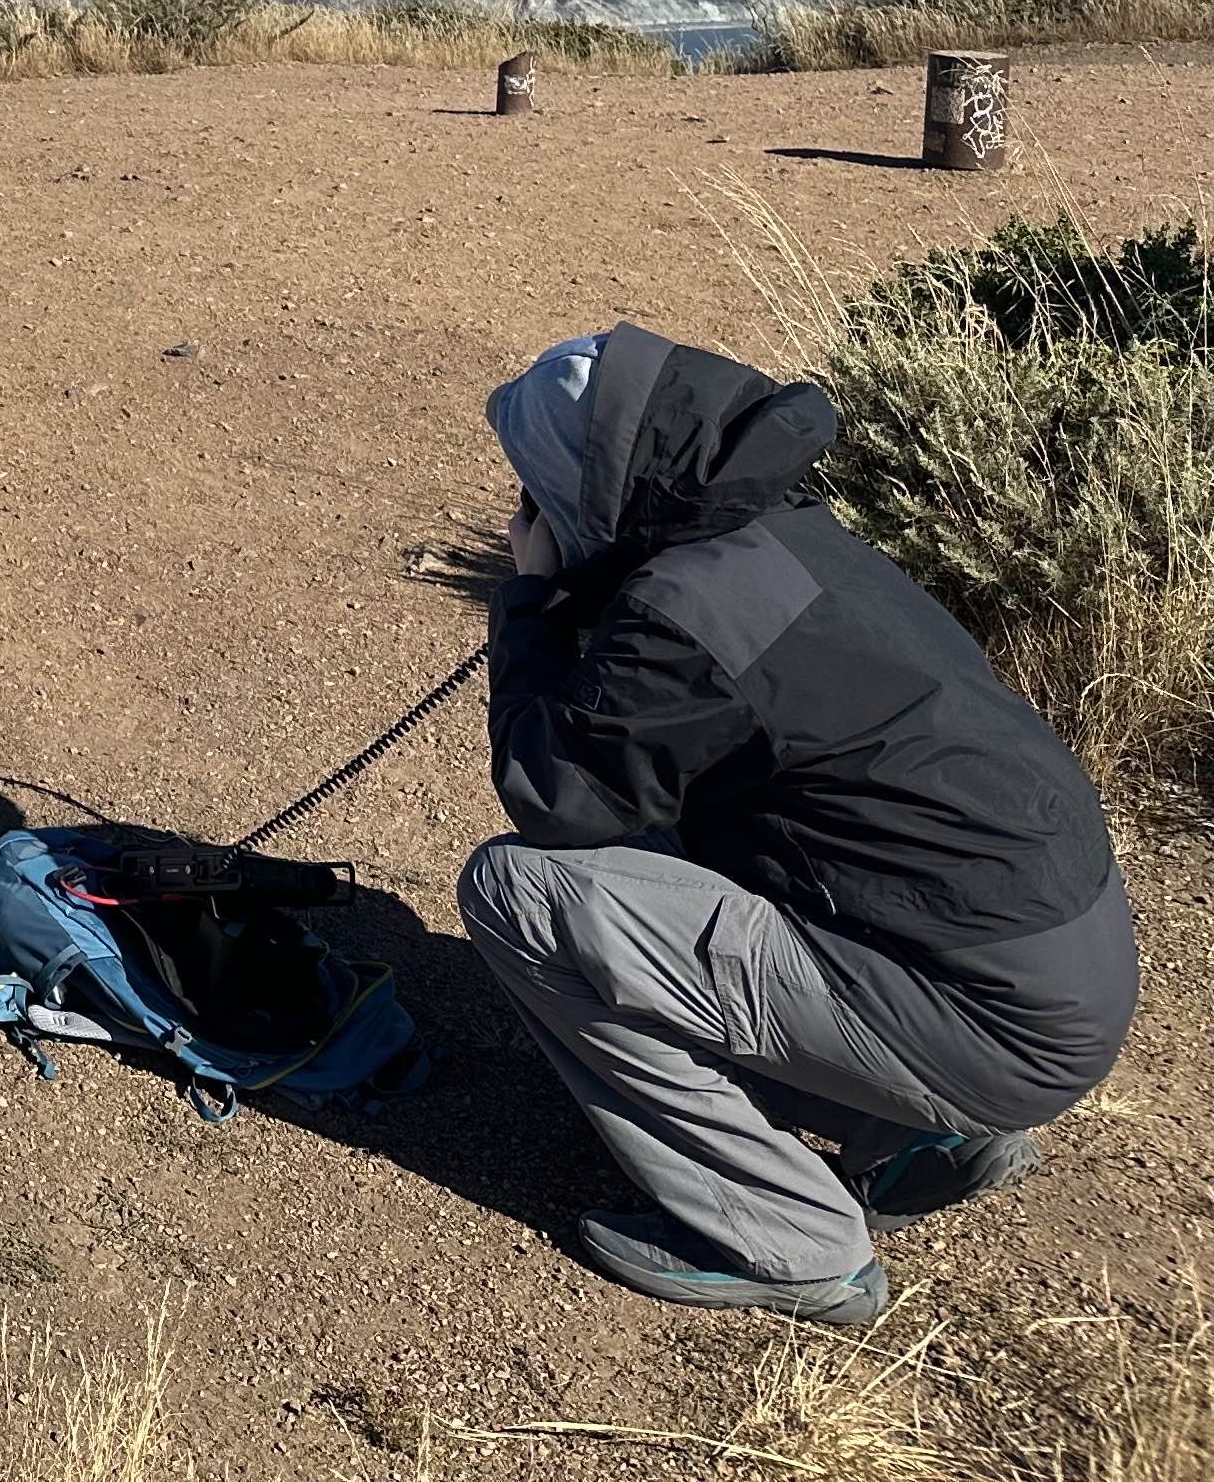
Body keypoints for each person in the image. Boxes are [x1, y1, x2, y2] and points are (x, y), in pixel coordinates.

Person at [455, 322, 1136, 1327]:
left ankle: (795, 1241)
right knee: (650, 847)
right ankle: (916, 1135)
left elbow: (552, 793)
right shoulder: (784, 538)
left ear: (586, 483)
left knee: (521, 893)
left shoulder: (691, 613)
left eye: (536, 482)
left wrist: (531, 600)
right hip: (1057, 979)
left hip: (992, 1023)